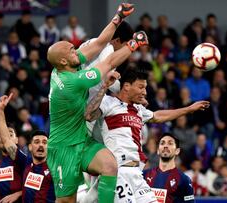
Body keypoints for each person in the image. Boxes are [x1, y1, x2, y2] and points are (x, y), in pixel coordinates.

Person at [46, 3, 138, 203]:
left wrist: (118, 17)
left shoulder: (65, 67)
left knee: (109, 166)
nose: (76, 51)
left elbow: (99, 44)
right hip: (63, 149)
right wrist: (133, 44)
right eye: (72, 50)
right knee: (66, 201)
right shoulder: (73, 82)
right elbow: (109, 63)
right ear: (63, 61)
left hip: (82, 139)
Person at [85, 68, 208, 202]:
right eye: (141, 87)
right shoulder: (109, 103)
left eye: (145, 88)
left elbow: (158, 116)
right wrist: (104, 86)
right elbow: (89, 115)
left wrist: (189, 109)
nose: (145, 92)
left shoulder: (138, 109)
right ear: (126, 86)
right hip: (118, 171)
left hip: (137, 173)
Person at [143, 133, 195, 203]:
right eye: (162, 143)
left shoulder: (184, 180)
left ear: (177, 151)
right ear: (158, 150)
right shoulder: (144, 175)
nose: (165, 146)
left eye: (170, 143)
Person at [22, 130, 55, 202]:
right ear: (30, 147)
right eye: (37, 142)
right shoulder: (25, 163)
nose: (41, 145)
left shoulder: (54, 169)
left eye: (44, 142)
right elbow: (7, 141)